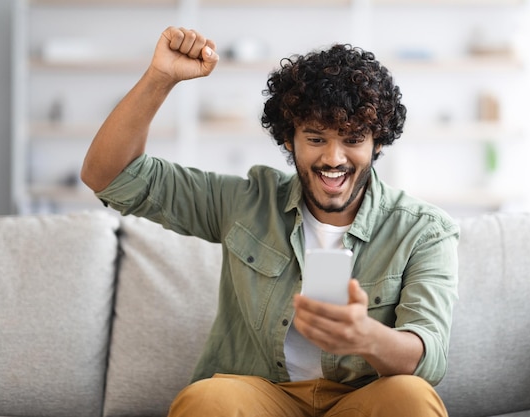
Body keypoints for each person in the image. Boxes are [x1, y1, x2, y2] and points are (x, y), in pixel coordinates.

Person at [81, 27, 459, 417]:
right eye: (315, 139)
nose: (333, 158)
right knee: (207, 399)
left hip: (361, 401)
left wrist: (366, 337)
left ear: (377, 142)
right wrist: (160, 78)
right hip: (264, 398)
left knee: (410, 397)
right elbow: (108, 176)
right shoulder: (247, 202)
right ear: (288, 140)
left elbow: (428, 359)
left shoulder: (423, 230)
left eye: (352, 139)